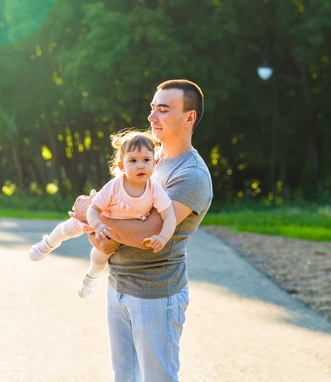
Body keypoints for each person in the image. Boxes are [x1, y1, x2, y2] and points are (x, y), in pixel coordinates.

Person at [70, 79, 213, 381]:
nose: (151, 117)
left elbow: (147, 233)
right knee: (125, 377)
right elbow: (119, 207)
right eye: (152, 108)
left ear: (190, 118)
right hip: (119, 286)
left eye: (163, 109)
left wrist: (90, 211)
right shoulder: (151, 159)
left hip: (155, 296)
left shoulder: (192, 175)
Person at [29, 129, 177, 299]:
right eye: (133, 161)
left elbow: (169, 216)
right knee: (68, 228)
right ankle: (48, 243)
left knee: (99, 258)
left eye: (146, 160)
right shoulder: (115, 185)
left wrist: (163, 237)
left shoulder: (154, 190)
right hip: (98, 219)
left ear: (154, 163)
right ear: (122, 166)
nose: (140, 165)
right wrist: (98, 224)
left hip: (114, 232)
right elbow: (93, 209)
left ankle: (90, 279)